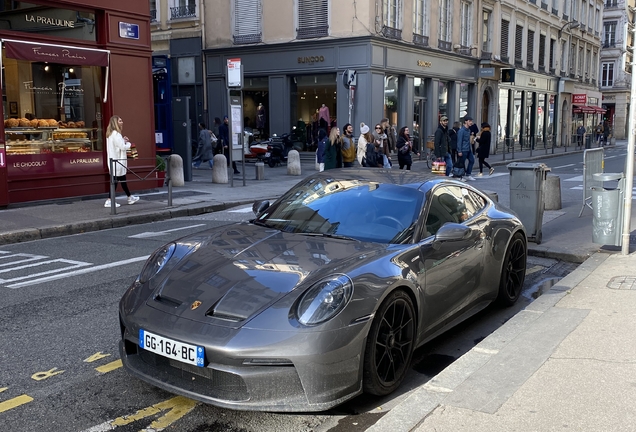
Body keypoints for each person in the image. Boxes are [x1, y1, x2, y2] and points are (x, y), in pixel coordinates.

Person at [105, 115, 139, 207]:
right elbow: (122, 147)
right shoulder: (116, 134)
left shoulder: (110, 134)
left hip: (114, 161)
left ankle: (129, 197)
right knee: (116, 181)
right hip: (118, 161)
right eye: (120, 121)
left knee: (121, 180)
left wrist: (122, 140)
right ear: (116, 123)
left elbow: (117, 144)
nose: (122, 122)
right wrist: (128, 143)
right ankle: (109, 200)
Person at [456, 116, 476, 181]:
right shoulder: (461, 131)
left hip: (468, 148)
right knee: (461, 163)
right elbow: (459, 141)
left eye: (471, 121)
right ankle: (460, 176)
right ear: (465, 121)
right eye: (469, 121)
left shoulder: (469, 130)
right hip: (463, 149)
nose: (471, 122)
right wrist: (459, 151)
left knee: (472, 160)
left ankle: (468, 174)